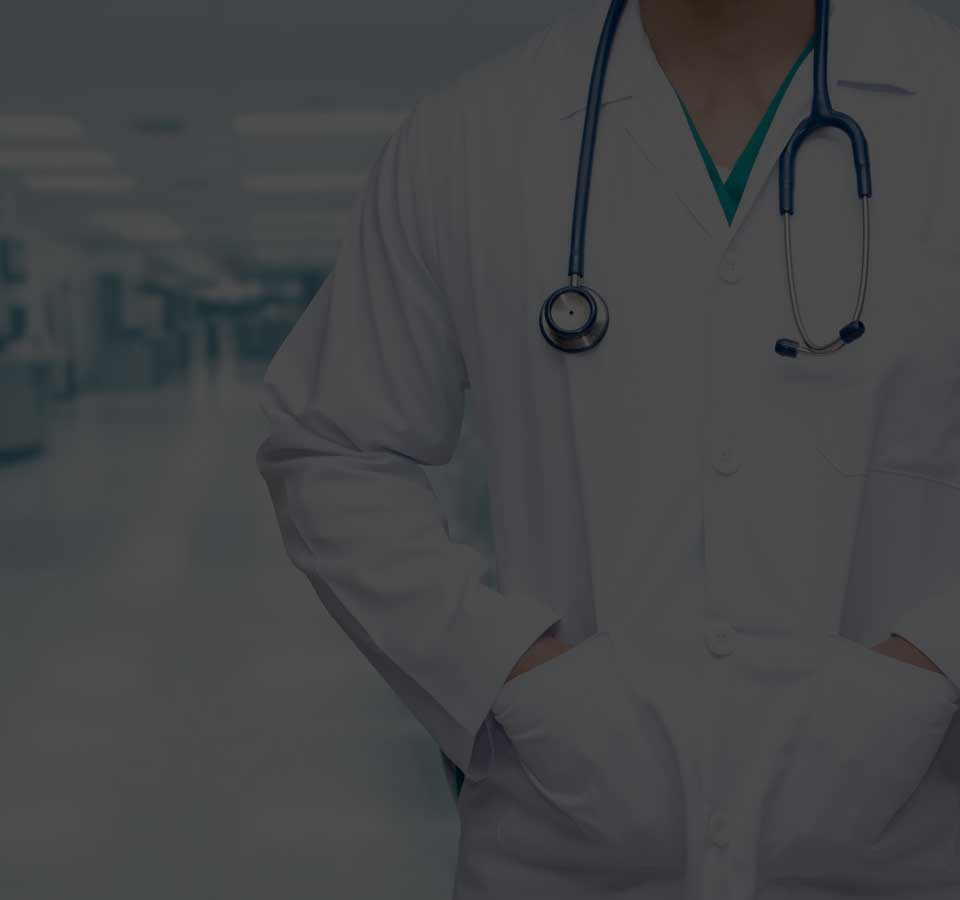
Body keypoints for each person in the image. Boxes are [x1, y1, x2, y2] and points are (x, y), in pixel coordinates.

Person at [255, 0, 960, 896]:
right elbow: (329, 443)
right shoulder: (472, 136)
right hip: (569, 836)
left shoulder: (943, 104)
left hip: (911, 834)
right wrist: (510, 673)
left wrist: (930, 670)